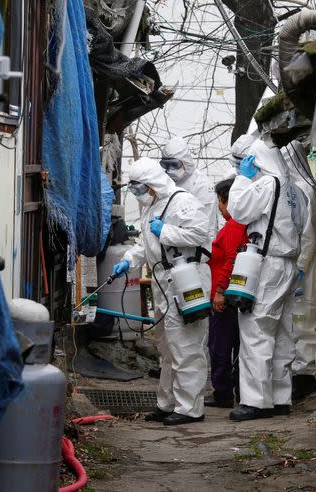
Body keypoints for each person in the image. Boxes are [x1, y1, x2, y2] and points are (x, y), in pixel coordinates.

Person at [112, 157, 211, 425]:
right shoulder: (151, 206)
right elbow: (145, 245)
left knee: (186, 345)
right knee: (167, 347)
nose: (136, 193)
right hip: (163, 281)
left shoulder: (183, 201)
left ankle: (190, 409)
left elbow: (200, 234)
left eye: (139, 187)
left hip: (186, 278)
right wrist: (129, 261)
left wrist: (166, 231)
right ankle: (166, 404)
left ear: (153, 184)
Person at [227, 140, 304, 421]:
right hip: (289, 263)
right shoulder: (293, 189)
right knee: (282, 332)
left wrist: (241, 179)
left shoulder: (266, 184)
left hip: (267, 263)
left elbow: (238, 210)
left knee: (256, 329)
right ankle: (280, 397)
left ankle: (256, 402)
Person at [281, 140, 316, 400]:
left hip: (309, 262)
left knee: (305, 318)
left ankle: (306, 374)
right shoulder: (299, 188)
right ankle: (300, 370)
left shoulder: (304, 190)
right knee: (299, 318)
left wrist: (300, 267)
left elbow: (309, 235)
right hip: (304, 261)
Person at [205, 179, 247, 408]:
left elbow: (231, 260)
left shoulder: (233, 227)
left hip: (225, 296)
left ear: (228, 201)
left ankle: (223, 393)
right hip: (235, 294)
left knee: (220, 346)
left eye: (220, 203)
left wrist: (220, 291)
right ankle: (237, 392)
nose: (220, 209)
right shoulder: (241, 226)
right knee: (237, 346)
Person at [160, 136, 219, 237]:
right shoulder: (169, 183)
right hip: (173, 240)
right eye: (166, 165)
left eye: (174, 165)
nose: (169, 170)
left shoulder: (202, 185)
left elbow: (206, 226)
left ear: (185, 162)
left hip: (199, 247)